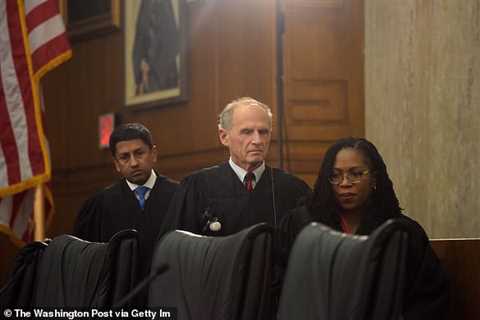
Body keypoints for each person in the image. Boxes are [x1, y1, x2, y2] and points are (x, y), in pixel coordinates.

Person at [279, 137, 449, 320]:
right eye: (335, 176)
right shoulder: (301, 224)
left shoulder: (402, 232)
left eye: (356, 174)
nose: (345, 183)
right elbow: (281, 286)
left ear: (374, 178)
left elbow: (428, 297)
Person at [160, 97, 311, 237]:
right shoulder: (197, 188)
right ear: (224, 137)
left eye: (263, 132)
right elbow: (175, 252)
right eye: (247, 132)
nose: (257, 140)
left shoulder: (293, 190)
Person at [73, 123, 178, 280]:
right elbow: (85, 263)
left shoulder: (179, 195)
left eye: (139, 153)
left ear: (153, 154)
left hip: (170, 289)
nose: (134, 163)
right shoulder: (100, 204)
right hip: (120, 296)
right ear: (116, 164)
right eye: (124, 157)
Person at [132, 0, 179, 95]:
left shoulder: (166, 4)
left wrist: (152, 68)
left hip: (164, 75)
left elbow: (173, 42)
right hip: (147, 77)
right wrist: (140, 69)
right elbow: (139, 39)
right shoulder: (145, 4)